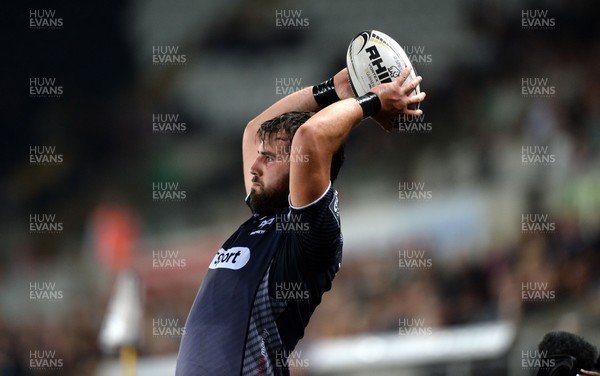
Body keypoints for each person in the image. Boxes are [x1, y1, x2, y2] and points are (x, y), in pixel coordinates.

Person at [175, 66, 425, 375]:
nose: (255, 165)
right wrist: (333, 90)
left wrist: (373, 101)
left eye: (269, 157)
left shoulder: (311, 232)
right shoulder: (264, 216)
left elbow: (312, 137)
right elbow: (255, 129)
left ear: (301, 164)